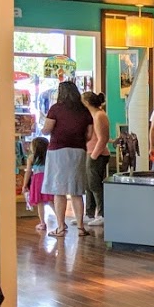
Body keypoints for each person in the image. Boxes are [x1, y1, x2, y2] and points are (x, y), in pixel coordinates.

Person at [41, 80, 94, 238]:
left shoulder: (56, 109)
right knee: (76, 191)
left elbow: (46, 129)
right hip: (78, 151)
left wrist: (43, 125)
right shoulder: (84, 111)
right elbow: (89, 135)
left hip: (58, 151)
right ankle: (80, 227)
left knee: (59, 191)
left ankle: (60, 227)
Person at [82, 91, 109, 226]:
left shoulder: (99, 115)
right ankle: (89, 213)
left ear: (86, 103)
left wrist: (94, 156)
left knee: (95, 185)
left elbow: (103, 138)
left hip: (97, 154)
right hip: (89, 152)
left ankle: (102, 214)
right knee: (88, 185)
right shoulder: (91, 115)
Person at [22, 137, 54, 233]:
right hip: (48, 179)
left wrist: (24, 185)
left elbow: (28, 171)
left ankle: (42, 223)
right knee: (51, 201)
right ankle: (61, 221)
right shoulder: (49, 156)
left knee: (40, 202)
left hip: (37, 181)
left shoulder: (31, 157)